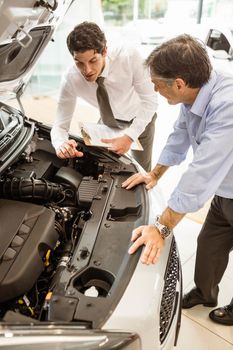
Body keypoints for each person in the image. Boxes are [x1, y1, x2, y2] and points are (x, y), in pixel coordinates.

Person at [122, 34, 233, 326]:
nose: (156, 91)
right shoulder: (196, 92)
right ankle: (206, 293)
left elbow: (202, 173)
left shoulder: (227, 106)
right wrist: (154, 174)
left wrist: (161, 227)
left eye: (158, 85)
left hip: (226, 184)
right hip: (225, 193)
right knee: (209, 245)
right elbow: (179, 137)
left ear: (179, 84)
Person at [50, 21, 158, 172]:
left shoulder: (129, 56)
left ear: (105, 52)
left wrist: (129, 137)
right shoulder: (70, 79)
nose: (87, 70)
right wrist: (60, 143)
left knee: (141, 170)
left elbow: (150, 101)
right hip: (107, 122)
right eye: (79, 63)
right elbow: (60, 125)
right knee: (102, 167)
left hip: (140, 117)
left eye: (93, 60)